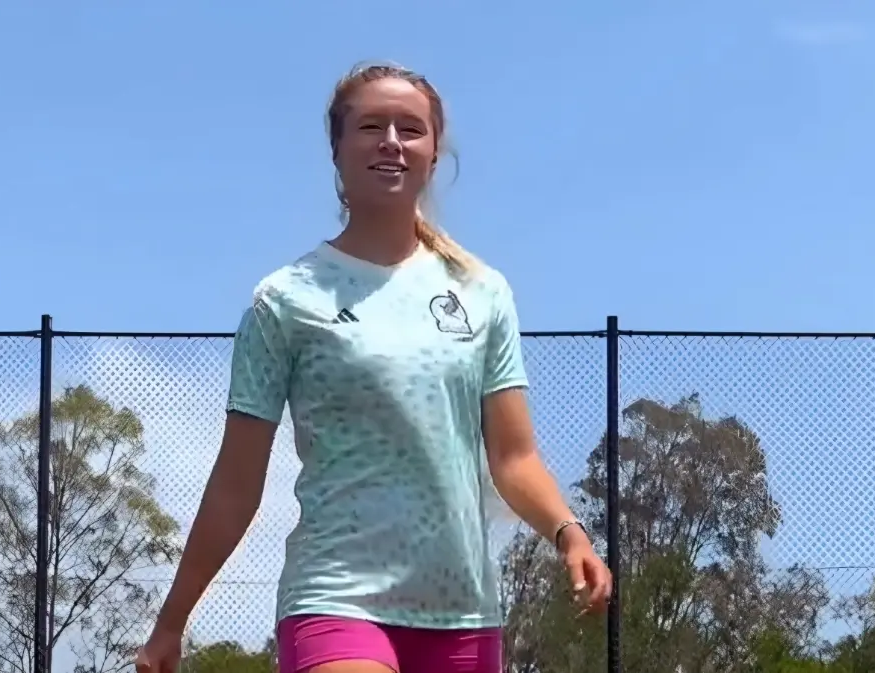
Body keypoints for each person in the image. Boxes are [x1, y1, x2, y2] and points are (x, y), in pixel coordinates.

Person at [135, 61, 611, 673]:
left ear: (434, 154)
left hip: (463, 615)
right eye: (370, 126)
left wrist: (569, 533)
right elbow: (235, 483)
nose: (391, 141)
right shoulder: (285, 301)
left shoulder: (483, 292)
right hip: (334, 599)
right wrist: (171, 623)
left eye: (410, 128)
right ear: (336, 149)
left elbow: (514, 459)